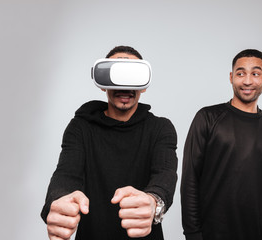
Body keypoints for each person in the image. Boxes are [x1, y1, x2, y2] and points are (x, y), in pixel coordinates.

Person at [41, 46, 178, 240]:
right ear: (102, 83)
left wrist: (154, 201)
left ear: (144, 85)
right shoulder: (80, 127)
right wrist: (58, 200)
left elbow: (165, 175)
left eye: (132, 76)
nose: (125, 87)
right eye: (117, 75)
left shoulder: (160, 128)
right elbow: (66, 173)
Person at [181, 49, 262, 240]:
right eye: (241, 73)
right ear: (231, 77)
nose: (247, 81)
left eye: (255, 73)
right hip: (210, 235)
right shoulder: (207, 118)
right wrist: (193, 235)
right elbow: (190, 180)